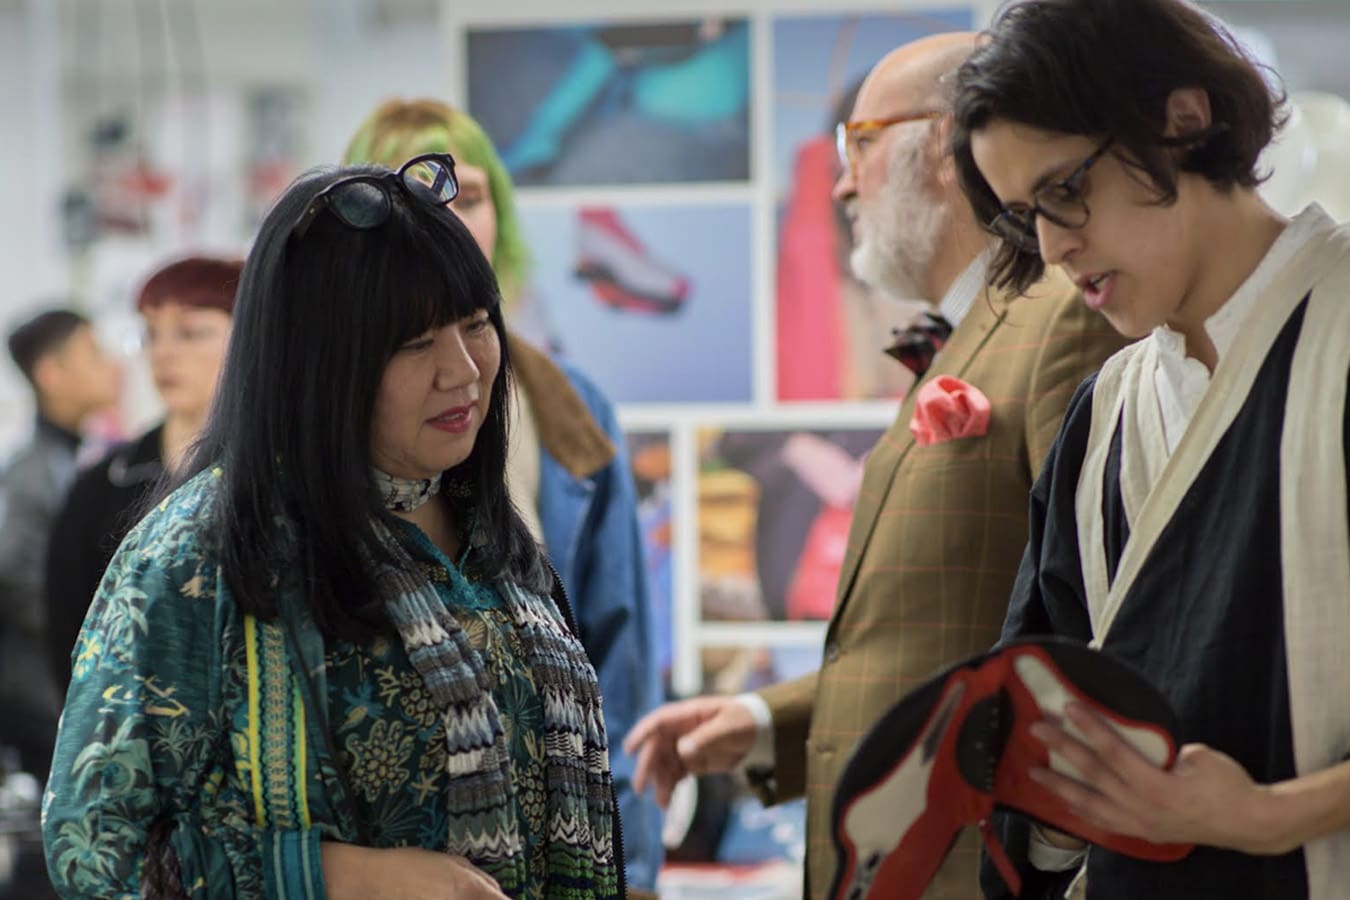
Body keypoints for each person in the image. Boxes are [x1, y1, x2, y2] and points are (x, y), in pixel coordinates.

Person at [624, 31, 1128, 899]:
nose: (842, 182)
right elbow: (932, 655)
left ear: (940, 142)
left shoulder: (1059, 323)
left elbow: (1089, 639)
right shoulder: (963, 339)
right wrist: (757, 720)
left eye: (857, 146)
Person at [42, 159, 624, 899]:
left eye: (476, 325)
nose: (463, 371)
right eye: (413, 344)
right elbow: (95, 847)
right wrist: (341, 877)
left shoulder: (488, 532)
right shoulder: (201, 553)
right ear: (318, 363)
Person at [950, 1, 1350, 898]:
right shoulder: (1107, 414)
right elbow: (1037, 705)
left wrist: (1265, 814)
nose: (1055, 245)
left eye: (1065, 190)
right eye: (1024, 217)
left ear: (1181, 120)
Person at [343, 98, 663, 891]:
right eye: (409, 195)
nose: (446, 218)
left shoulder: (571, 411)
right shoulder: (316, 422)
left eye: (471, 196)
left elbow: (617, 664)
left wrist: (637, 864)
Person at [45, 255, 241, 696]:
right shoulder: (101, 486)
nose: (164, 352)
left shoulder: (278, 479)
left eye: (190, 333)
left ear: (250, 336)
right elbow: (68, 636)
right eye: (151, 334)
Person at [0, 308, 118, 782]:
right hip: (43, 692)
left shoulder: (82, 460)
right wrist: (93, 642)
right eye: (92, 351)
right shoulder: (33, 475)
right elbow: (16, 579)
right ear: (51, 375)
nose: (111, 363)